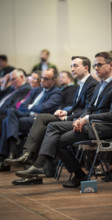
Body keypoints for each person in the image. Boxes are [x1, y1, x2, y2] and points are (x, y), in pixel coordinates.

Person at [15, 52, 112, 189]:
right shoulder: (99, 85)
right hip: (90, 125)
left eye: (99, 65)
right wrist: (80, 119)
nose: (96, 68)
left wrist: (86, 118)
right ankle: (79, 175)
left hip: (103, 128)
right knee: (56, 140)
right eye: (95, 65)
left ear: (111, 65)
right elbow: (89, 108)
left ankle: (38, 165)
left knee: (52, 127)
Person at [6, 56, 98, 184]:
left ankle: (35, 164)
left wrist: (68, 116)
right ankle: (28, 155)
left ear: (86, 67)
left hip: (83, 122)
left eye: (75, 66)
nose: (72, 69)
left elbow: (88, 109)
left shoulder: (92, 84)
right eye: (71, 66)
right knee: (42, 118)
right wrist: (65, 111)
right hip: (74, 117)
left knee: (50, 131)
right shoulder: (81, 84)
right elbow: (77, 107)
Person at [0, 69, 62, 171]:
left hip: (38, 120)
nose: (42, 80)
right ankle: (11, 151)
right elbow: (21, 106)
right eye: (41, 77)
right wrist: (29, 108)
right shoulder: (36, 90)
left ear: (53, 80)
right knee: (11, 112)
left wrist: (29, 107)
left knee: (7, 121)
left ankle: (6, 155)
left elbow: (43, 108)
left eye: (45, 78)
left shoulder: (56, 93)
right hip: (27, 115)